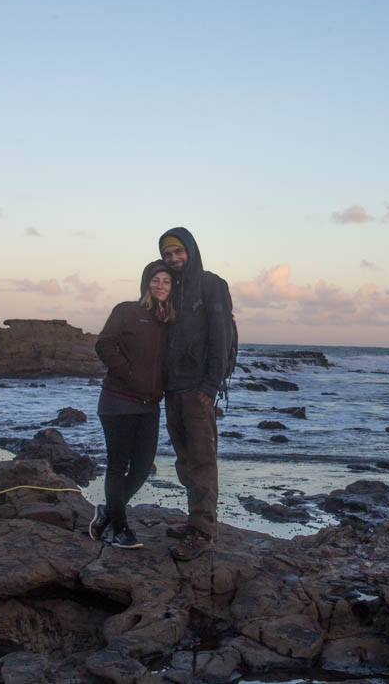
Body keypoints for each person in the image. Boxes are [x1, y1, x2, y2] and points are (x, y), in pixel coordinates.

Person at [89, 260, 175, 549]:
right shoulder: (127, 311)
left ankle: (108, 512)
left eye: (166, 281)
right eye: (156, 280)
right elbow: (104, 344)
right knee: (117, 465)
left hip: (150, 405)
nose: (160, 285)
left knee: (141, 468)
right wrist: (129, 375)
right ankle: (120, 529)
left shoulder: (170, 321)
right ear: (146, 283)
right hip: (118, 401)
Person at [158, 227, 232, 561]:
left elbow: (221, 338)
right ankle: (195, 521)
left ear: (190, 250)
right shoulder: (171, 288)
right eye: (167, 254)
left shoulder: (211, 284)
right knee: (185, 461)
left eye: (178, 252)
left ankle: (203, 533)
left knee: (202, 461)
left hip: (198, 391)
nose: (173, 259)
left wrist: (210, 386)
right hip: (172, 390)